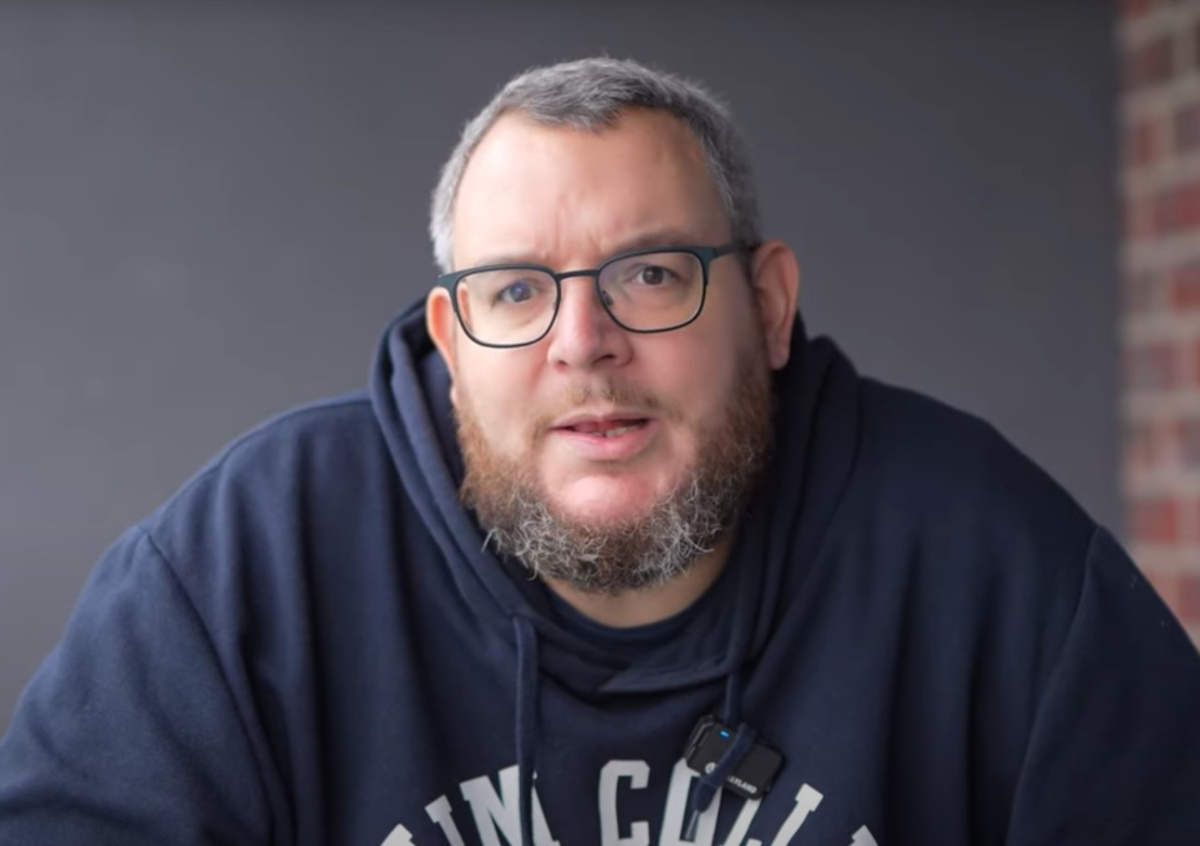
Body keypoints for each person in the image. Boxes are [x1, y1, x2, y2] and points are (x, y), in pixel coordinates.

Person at [1, 56, 1198, 846]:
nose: (584, 343)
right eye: (517, 291)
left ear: (769, 307)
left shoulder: (994, 563)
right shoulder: (241, 569)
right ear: (452, 343)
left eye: (651, 274)